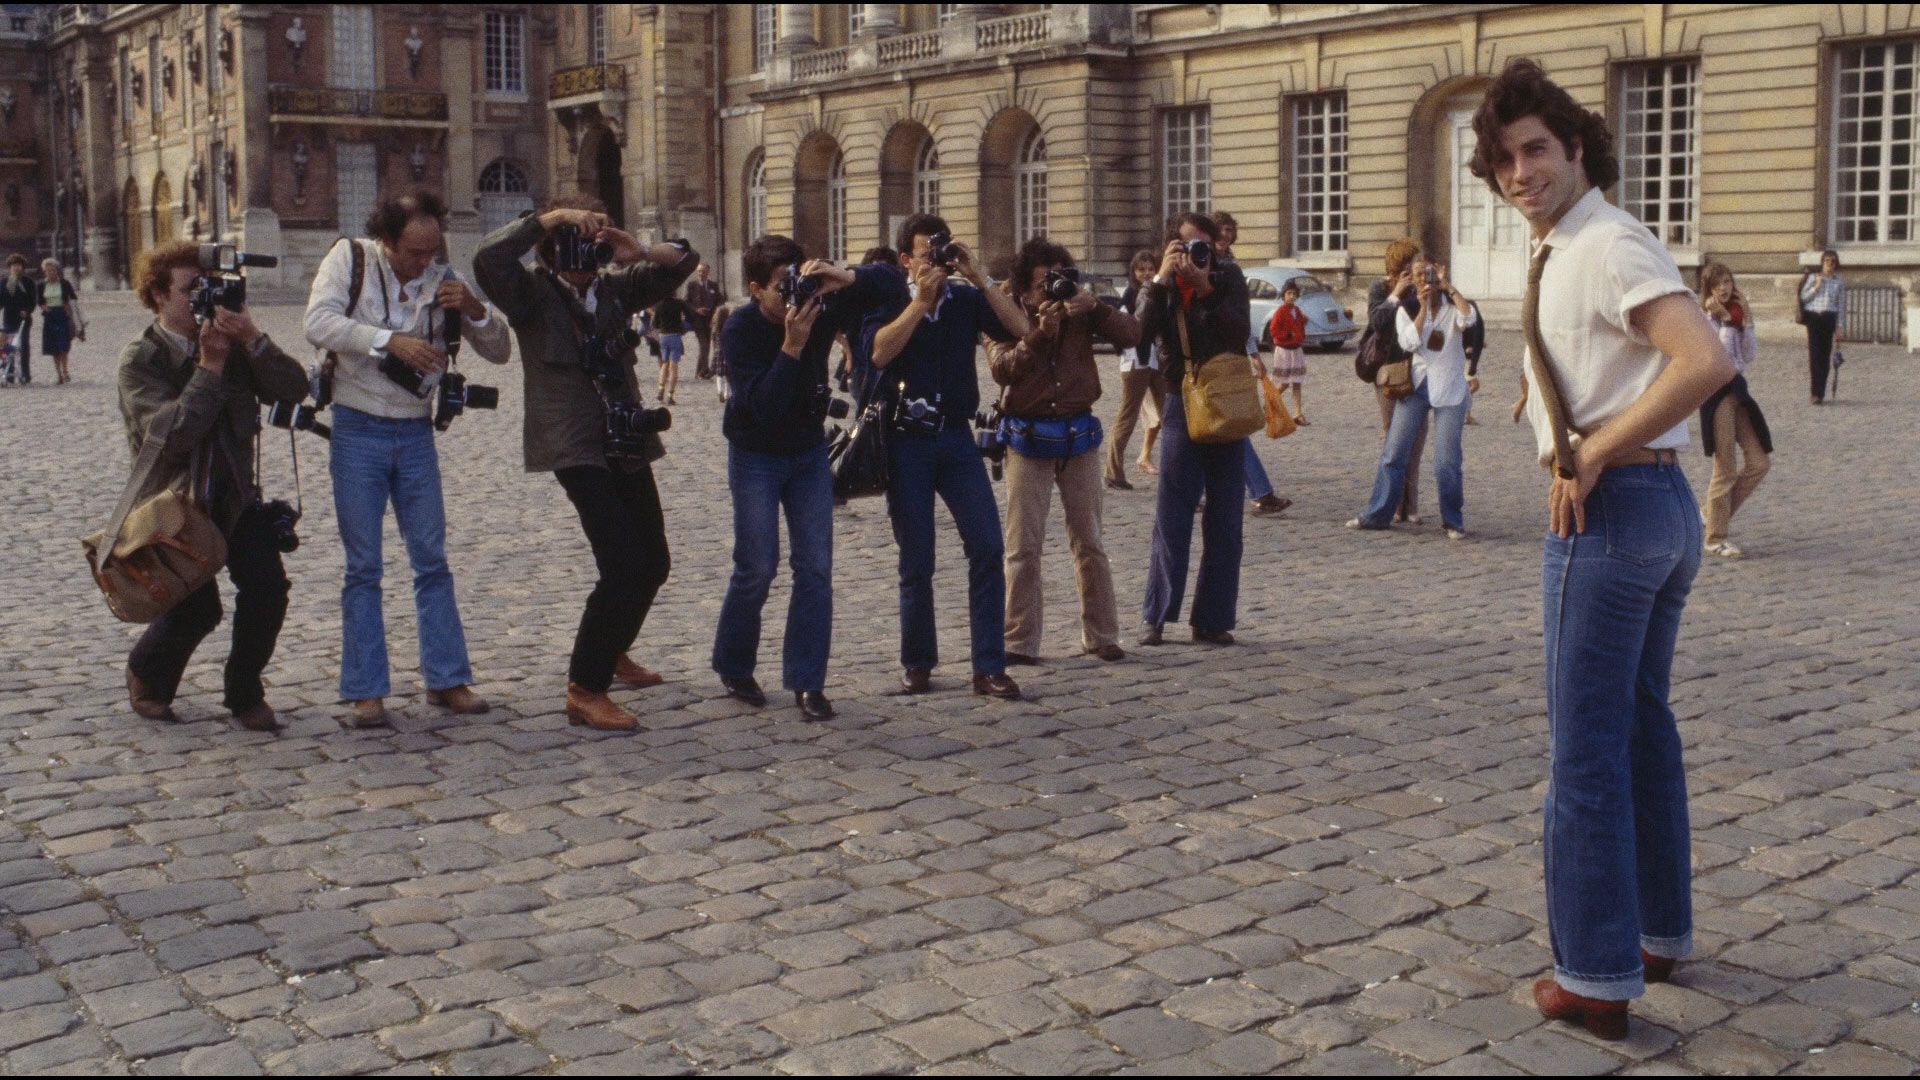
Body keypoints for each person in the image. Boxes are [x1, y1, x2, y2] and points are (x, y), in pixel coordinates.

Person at [1470, 57, 1735, 1039]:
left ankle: (1592, 973)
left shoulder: (1606, 242)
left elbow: (1702, 362)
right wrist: (1545, 403)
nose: (1519, 172)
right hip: (1659, 514)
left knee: (1584, 750)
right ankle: (1658, 931)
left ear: (1576, 147)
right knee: (1640, 729)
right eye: (1502, 159)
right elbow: (1599, 354)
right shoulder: (1573, 241)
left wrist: (1585, 453)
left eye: (1536, 150)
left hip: (1612, 515)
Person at [474, 194, 698, 732]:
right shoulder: (530, 294)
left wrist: (635, 248)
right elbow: (487, 261)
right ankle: (585, 688)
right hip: (573, 443)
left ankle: (614, 645)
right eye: (569, 245)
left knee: (655, 560)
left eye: (587, 244)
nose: (579, 259)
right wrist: (551, 221)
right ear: (550, 250)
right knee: (621, 562)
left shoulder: (617, 289)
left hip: (625, 436)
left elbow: (685, 263)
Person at [302, 192, 510, 730]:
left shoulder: (443, 274)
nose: (423, 263)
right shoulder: (350, 259)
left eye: (431, 251)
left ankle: (447, 679)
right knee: (363, 565)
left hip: (415, 432)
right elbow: (318, 323)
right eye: (413, 253)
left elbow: (500, 348)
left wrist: (474, 308)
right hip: (358, 427)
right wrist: (388, 341)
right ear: (387, 241)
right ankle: (365, 691)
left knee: (432, 559)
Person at [118, 241, 310, 732]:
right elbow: (176, 436)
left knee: (268, 590)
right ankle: (147, 673)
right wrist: (209, 366)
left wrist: (255, 339)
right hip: (175, 505)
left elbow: (293, 389)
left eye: (210, 288)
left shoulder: (235, 344)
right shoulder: (142, 360)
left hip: (233, 499)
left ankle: (244, 691)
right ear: (159, 296)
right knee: (197, 609)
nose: (204, 300)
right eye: (190, 291)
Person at [713, 236, 890, 719]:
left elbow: (893, 286)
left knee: (815, 567)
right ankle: (733, 663)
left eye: (799, 282)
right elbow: (763, 408)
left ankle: (808, 682)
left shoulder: (819, 307)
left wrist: (844, 277)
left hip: (808, 453)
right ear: (754, 288)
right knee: (757, 567)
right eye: (781, 286)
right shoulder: (742, 328)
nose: (794, 295)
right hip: (756, 454)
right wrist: (791, 347)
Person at [864, 212, 1031, 699]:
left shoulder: (964, 299)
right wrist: (919, 303)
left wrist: (978, 276)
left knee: (987, 546)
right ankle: (917, 661)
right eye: (925, 254)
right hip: (906, 441)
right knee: (917, 557)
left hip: (956, 439)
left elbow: (1021, 328)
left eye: (941, 252)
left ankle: (988, 666)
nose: (935, 262)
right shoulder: (889, 298)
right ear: (904, 260)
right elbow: (878, 353)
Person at [989, 238, 1140, 666]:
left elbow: (1133, 334)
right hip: (1027, 438)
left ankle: (1102, 634)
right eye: (1042, 284)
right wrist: (1038, 334)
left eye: (1059, 279)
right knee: (1023, 547)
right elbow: (1002, 367)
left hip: (1078, 436)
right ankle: (1019, 640)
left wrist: (1094, 308)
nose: (1051, 291)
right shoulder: (1002, 311)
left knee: (1090, 540)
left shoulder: (1079, 309)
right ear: (1022, 287)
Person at [1138, 211, 1253, 647]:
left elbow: (1238, 331)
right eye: (1187, 248)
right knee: (1172, 514)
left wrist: (1205, 288)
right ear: (1172, 248)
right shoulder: (1164, 287)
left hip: (1224, 401)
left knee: (1226, 517)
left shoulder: (1229, 277)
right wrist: (1159, 281)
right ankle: (1156, 616)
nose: (1197, 255)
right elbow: (1139, 339)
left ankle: (1213, 618)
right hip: (1179, 402)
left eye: (1203, 246)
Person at [1346, 254, 1479, 539]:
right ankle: (1377, 514)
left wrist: (1448, 287)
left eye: (1427, 274)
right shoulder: (1405, 308)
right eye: (1417, 276)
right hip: (1416, 386)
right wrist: (1421, 308)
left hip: (1450, 389)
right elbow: (1409, 341)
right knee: (1394, 453)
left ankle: (1452, 521)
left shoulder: (1452, 306)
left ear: (1437, 275)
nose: (1423, 280)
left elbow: (1469, 319)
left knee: (1447, 460)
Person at [1211, 212, 1289, 517]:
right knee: (1220, 427)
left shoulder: (1231, 265)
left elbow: (1239, 315)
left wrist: (1253, 354)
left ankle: (1259, 492)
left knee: (1227, 426)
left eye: (1230, 230)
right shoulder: (1205, 265)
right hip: (1207, 360)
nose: (1226, 235)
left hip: (1229, 358)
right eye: (1221, 230)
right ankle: (1260, 492)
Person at [1699, 263, 1770, 559]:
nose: (1724, 288)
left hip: (1737, 392)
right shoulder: (1706, 318)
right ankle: (1715, 538)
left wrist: (1747, 320)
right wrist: (1727, 321)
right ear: (1709, 289)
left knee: (1759, 462)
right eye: (1718, 284)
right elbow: (1722, 358)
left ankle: (1710, 513)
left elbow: (1748, 355)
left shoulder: (1735, 316)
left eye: (1728, 281)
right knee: (1724, 468)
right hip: (1716, 395)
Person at [1367, 240, 1429, 523]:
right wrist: (1396, 294)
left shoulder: (1422, 288)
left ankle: (1410, 506)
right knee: (1394, 438)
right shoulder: (1379, 289)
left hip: (1418, 369)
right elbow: (1377, 323)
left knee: (1416, 438)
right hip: (1389, 371)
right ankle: (1392, 504)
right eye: (1413, 262)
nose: (1418, 265)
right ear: (1400, 266)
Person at [1106, 250, 1167, 490]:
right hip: (1135, 361)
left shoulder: (1159, 290)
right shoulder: (1130, 294)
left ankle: (1178, 472)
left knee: (1170, 414)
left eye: (1150, 268)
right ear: (1134, 272)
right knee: (1127, 416)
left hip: (1156, 360)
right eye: (1141, 269)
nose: (1146, 273)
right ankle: (1113, 471)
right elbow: (1119, 328)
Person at [1799, 249, 1844, 405]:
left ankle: (1821, 392)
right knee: (1814, 355)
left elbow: (1841, 306)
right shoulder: (1813, 277)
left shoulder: (1838, 282)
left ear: (1835, 264)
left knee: (1825, 356)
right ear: (1822, 263)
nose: (1829, 264)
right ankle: (1814, 393)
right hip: (1814, 317)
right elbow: (1804, 298)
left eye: (1832, 262)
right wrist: (1816, 287)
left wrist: (1840, 326)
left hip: (1829, 318)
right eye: (1826, 261)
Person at [1267, 280, 1309, 424]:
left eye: (1294, 294)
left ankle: (1297, 414)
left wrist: (1300, 336)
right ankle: (1270, 402)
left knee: (1297, 382)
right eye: (1289, 293)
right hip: (1284, 351)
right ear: (1283, 295)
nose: (1292, 296)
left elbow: (1301, 325)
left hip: (1296, 350)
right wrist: (1287, 335)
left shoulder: (1297, 311)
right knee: (1284, 383)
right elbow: (1273, 330)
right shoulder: (1280, 311)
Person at [38, 258, 84, 385]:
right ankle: (58, 374)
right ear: (44, 272)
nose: (50, 273)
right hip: (49, 316)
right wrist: (43, 307)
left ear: (57, 270)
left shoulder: (64, 283)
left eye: (53, 270)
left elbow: (73, 297)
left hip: (63, 315)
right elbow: (39, 301)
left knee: (63, 344)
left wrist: (67, 305)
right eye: (47, 271)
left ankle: (65, 370)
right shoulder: (41, 285)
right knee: (53, 347)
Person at [686, 263, 724, 380]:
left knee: (706, 345)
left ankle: (700, 371)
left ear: (708, 272)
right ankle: (703, 371)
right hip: (698, 321)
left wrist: (717, 313)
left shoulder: (713, 285)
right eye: (699, 271)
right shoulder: (692, 285)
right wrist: (696, 310)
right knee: (704, 346)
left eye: (703, 271)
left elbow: (720, 300)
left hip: (710, 320)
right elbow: (686, 302)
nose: (701, 273)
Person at [2, 254, 34, 383]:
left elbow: (32, 300)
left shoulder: (28, 282)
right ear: (9, 267)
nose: (16, 268)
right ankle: (9, 373)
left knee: (23, 346)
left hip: (24, 320)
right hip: (9, 318)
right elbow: (2, 300)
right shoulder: (5, 282)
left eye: (18, 265)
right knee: (7, 346)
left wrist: (27, 311)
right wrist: (12, 281)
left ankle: (25, 373)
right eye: (14, 266)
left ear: (23, 267)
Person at [653, 292, 689, 403]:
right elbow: (689, 316)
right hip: (675, 336)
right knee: (673, 367)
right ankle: (670, 396)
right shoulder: (679, 303)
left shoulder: (658, 304)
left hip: (663, 337)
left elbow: (655, 324)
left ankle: (660, 389)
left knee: (664, 364)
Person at [710, 299, 734, 402]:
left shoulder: (715, 329)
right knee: (729, 375)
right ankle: (727, 393)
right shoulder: (729, 328)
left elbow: (713, 342)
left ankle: (719, 390)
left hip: (718, 352)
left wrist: (714, 351)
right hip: (727, 352)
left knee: (719, 374)